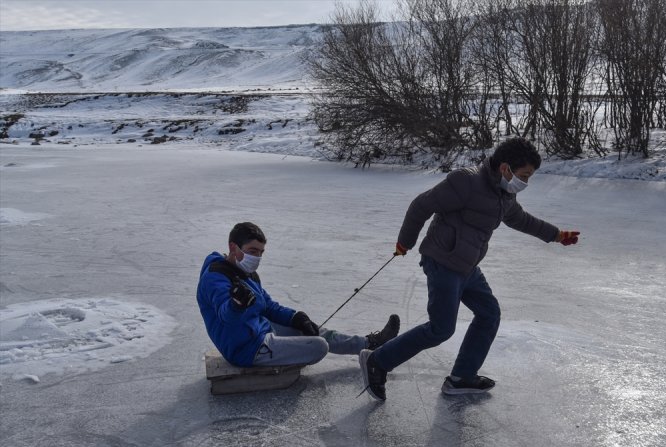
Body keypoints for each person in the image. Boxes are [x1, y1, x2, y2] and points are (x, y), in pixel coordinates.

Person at [359, 137, 580, 400]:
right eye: (524, 175)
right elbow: (422, 205)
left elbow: (520, 219)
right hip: (442, 262)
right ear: (505, 168)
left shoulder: (504, 193)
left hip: (467, 266)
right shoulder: (466, 182)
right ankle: (378, 361)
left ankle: (462, 376)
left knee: (489, 314)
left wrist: (556, 235)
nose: (525, 183)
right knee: (441, 329)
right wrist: (404, 242)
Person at [198, 222, 400, 368]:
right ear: (233, 247)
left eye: (261, 252)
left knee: (313, 329)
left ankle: (368, 344)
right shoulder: (215, 278)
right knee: (319, 346)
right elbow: (226, 315)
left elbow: (268, 306)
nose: (257, 257)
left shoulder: (246, 273)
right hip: (246, 349)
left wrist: (297, 318)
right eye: (252, 250)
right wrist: (237, 304)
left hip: (260, 329)